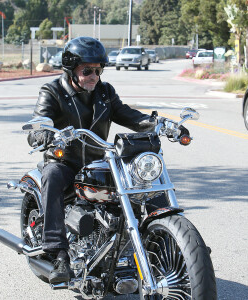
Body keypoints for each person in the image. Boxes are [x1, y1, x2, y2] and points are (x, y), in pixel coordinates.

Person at [27, 37, 186, 284]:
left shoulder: (105, 91)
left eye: (98, 70)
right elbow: (39, 121)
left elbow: (129, 115)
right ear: (71, 69)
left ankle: (172, 242)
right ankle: (58, 253)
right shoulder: (53, 91)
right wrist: (43, 133)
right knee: (52, 176)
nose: (94, 76)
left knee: (143, 182)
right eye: (87, 70)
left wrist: (160, 124)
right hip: (65, 162)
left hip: (97, 163)